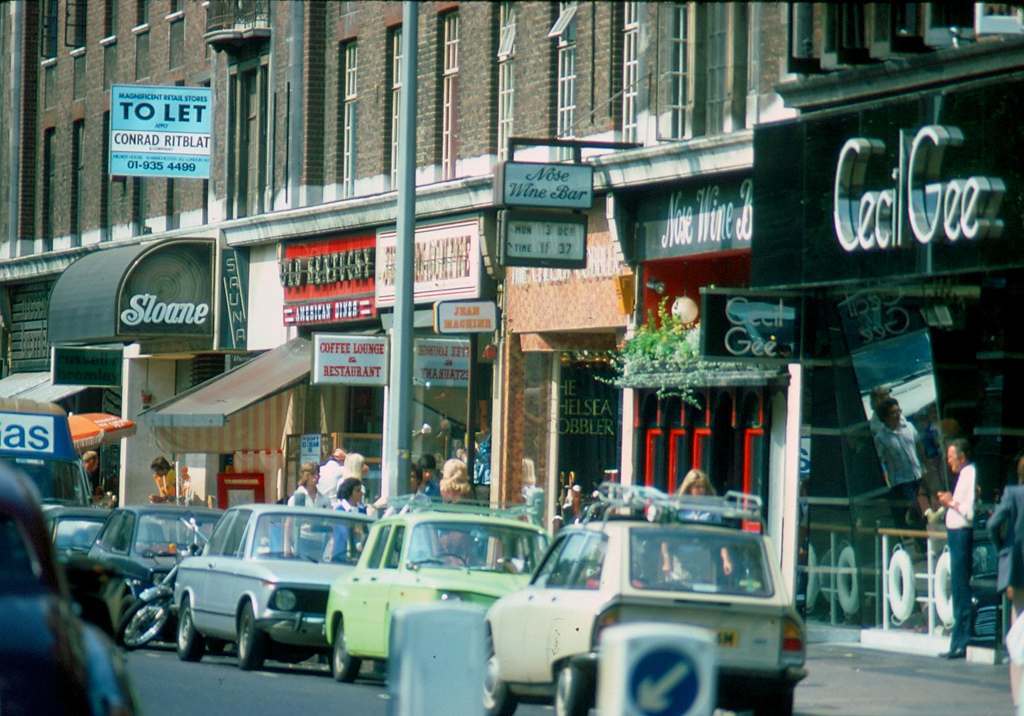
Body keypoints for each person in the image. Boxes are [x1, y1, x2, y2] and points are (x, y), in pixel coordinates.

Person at [988, 451, 1024, 705]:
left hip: (1018, 568)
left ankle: (1018, 699)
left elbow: (992, 525)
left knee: (1018, 634)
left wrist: (1003, 548)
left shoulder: (1013, 494)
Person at [938, 438, 976, 659]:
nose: (948, 461)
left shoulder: (969, 474)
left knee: (961, 587)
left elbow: (968, 511)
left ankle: (962, 642)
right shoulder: (964, 474)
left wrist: (950, 502)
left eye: (951, 457)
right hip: (956, 534)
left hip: (961, 534)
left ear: (961, 458)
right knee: (958, 587)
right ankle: (957, 641)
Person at [873, 398, 930, 525]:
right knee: (916, 511)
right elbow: (880, 460)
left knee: (926, 508)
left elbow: (919, 446)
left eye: (899, 411)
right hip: (901, 481)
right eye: (894, 413)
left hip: (918, 475)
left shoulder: (909, 427)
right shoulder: (881, 438)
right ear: (885, 417)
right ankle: (920, 538)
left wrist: (926, 466)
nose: (898, 415)